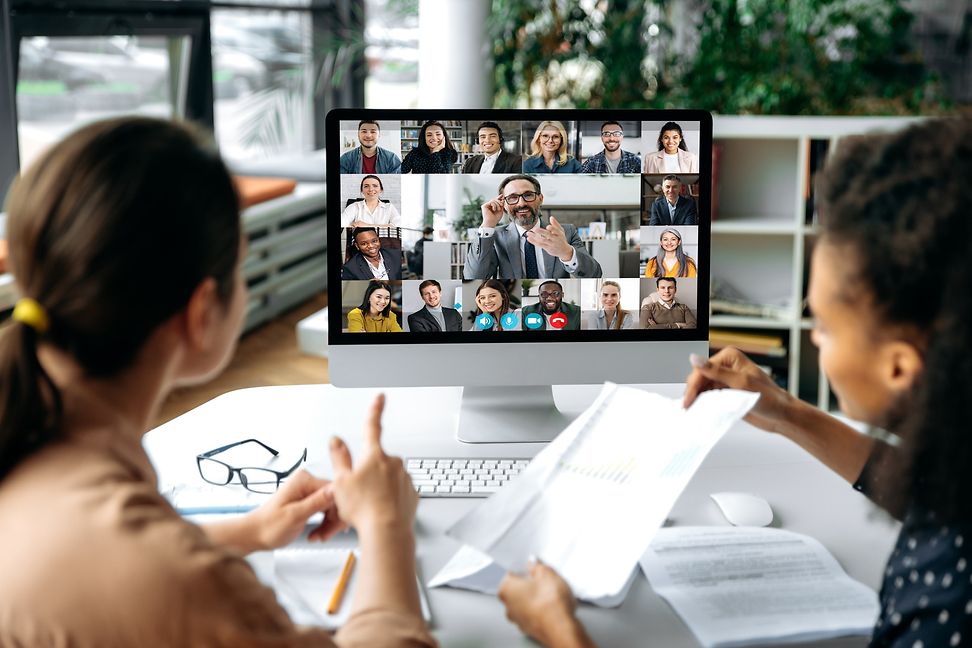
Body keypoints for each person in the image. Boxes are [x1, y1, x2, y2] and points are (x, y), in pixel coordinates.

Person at [499, 119, 972, 648]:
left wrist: (558, 631)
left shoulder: (944, 613)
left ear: (900, 367)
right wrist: (786, 411)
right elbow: (932, 492)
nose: (814, 338)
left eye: (825, 325)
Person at [0, 117, 433, 646]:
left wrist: (248, 532)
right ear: (203, 310)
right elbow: (151, 574)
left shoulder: (27, 447)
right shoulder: (188, 583)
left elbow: (88, 560)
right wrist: (389, 526)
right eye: (242, 268)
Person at [464, 174, 602, 280]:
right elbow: (474, 277)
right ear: (504, 204)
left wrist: (566, 253)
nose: (521, 203)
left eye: (528, 195)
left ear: (540, 198)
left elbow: (594, 275)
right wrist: (487, 225)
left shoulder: (566, 232)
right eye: (512, 198)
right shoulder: (495, 237)